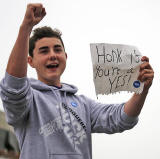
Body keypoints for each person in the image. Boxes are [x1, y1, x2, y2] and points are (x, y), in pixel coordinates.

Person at [0, 3, 154, 159]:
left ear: (65, 57)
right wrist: (26, 27)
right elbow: (13, 89)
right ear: (30, 61)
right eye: (44, 51)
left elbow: (120, 119)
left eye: (57, 49)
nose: (53, 55)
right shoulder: (28, 101)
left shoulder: (84, 105)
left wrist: (142, 90)